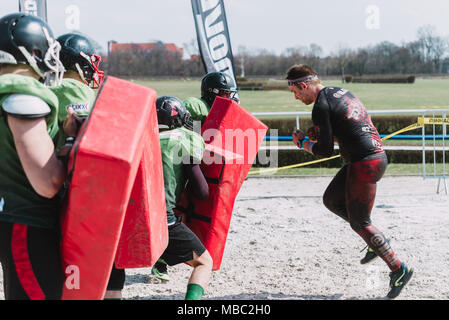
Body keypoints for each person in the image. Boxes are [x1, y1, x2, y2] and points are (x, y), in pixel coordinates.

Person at [287, 64, 413, 299]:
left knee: (360, 222)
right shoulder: (342, 93)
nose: (296, 97)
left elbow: (324, 151)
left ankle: (399, 269)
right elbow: (355, 125)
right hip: (369, 158)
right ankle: (373, 239)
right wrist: (330, 133)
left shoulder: (320, 105)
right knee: (331, 200)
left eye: (295, 92)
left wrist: (302, 142)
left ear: (304, 85)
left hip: (364, 163)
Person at [0, 13, 78, 300]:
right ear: (33, 51)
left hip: (15, 219)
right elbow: (47, 183)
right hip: (27, 225)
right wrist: (70, 139)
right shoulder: (22, 96)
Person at [155, 96, 213, 300]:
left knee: (114, 270)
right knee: (204, 262)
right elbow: (202, 191)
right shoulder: (184, 138)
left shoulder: (144, 137)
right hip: (159, 216)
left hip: (125, 216)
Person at [52, 32, 104, 150]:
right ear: (80, 64)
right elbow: (82, 133)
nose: (93, 69)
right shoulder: (74, 88)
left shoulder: (51, 87)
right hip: (68, 160)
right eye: (91, 63)